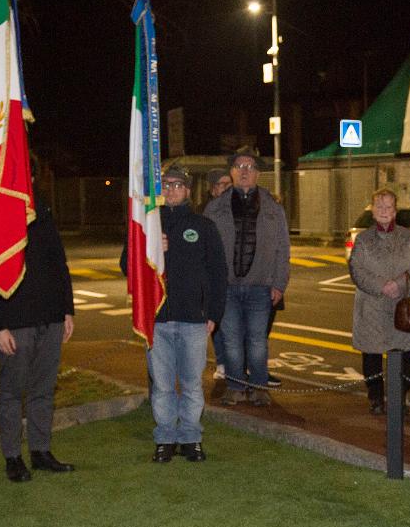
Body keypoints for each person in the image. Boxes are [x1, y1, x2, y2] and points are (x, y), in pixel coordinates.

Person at [0, 198, 77, 481]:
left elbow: (59, 262)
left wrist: (67, 308)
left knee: (43, 390)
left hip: (50, 316)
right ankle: (13, 457)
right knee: (12, 393)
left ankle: (41, 451)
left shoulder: (41, 211)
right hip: (14, 320)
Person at [124, 165, 226, 461]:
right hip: (157, 320)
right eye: (165, 185)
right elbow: (127, 266)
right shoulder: (147, 226)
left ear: (188, 190)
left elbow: (218, 272)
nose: (171, 190)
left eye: (177, 185)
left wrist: (214, 313)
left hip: (194, 319)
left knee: (192, 384)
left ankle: (191, 438)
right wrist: (150, 249)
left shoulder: (203, 226)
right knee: (163, 386)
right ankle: (166, 438)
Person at [203, 146, 290, 405]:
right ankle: (236, 386)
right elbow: (206, 250)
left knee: (257, 341)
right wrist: (210, 286)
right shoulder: (215, 208)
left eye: (250, 167)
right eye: (239, 167)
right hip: (227, 287)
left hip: (260, 286)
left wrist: (279, 283)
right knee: (231, 340)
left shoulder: (273, 208)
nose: (244, 171)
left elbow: (283, 248)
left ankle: (259, 387)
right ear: (231, 172)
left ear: (258, 174)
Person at [348, 190, 410, 415]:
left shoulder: (409, 238)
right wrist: (381, 285)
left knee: (403, 355)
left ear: (395, 211)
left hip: (402, 307)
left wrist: (398, 285)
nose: (384, 211)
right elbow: (356, 270)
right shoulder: (363, 239)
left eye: (388, 207)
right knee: (372, 354)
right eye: (379, 206)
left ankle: (399, 398)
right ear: (372, 210)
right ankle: (376, 397)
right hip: (372, 306)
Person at [204, 167, 234, 381]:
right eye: (220, 185)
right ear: (213, 189)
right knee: (218, 323)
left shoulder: (239, 208)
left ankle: (237, 366)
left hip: (236, 277)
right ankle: (222, 362)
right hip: (214, 277)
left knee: (235, 326)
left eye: (227, 184)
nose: (224, 189)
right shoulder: (206, 212)